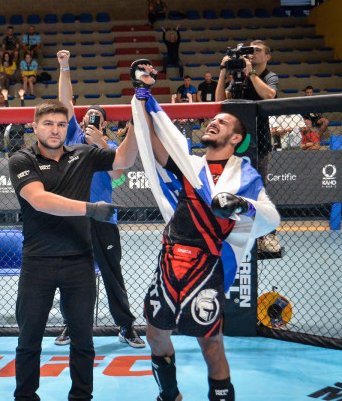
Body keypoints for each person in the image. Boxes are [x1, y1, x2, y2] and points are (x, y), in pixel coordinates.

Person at [129, 58, 280, 401]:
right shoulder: (190, 166)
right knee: (155, 333)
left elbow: (270, 217)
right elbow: (152, 142)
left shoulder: (244, 176)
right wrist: (142, 94)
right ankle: (170, 395)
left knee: (210, 344)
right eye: (213, 119)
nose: (213, 122)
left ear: (236, 138)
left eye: (222, 122)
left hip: (208, 263)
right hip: (171, 257)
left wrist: (242, 205)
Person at [7, 50, 139, 401]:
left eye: (60, 124)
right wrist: (91, 209)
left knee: (84, 340)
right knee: (29, 340)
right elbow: (39, 199)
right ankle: (25, 397)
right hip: (38, 260)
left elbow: (123, 160)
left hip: (79, 261)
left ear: (68, 127)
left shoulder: (85, 152)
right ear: (35, 127)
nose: (55, 129)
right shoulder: (21, 159)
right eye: (48, 124)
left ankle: (83, 394)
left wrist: (137, 120)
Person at [54, 54, 145, 348]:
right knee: (70, 275)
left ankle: (126, 326)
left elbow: (118, 173)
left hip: (103, 218)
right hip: (73, 217)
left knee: (112, 274)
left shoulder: (111, 146)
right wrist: (65, 67)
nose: (91, 119)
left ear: (104, 123)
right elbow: (65, 101)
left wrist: (100, 143)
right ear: (82, 120)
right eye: (88, 115)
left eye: (97, 117)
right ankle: (71, 324)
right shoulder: (72, 135)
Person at [215, 40, 281, 255]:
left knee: (258, 189)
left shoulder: (269, 76)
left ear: (267, 56)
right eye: (250, 51)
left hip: (260, 143)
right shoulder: (239, 78)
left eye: (257, 51)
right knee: (231, 188)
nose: (252, 54)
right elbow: (219, 101)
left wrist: (251, 73)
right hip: (236, 146)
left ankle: (265, 236)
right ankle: (233, 234)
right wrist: (223, 73)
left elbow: (269, 96)